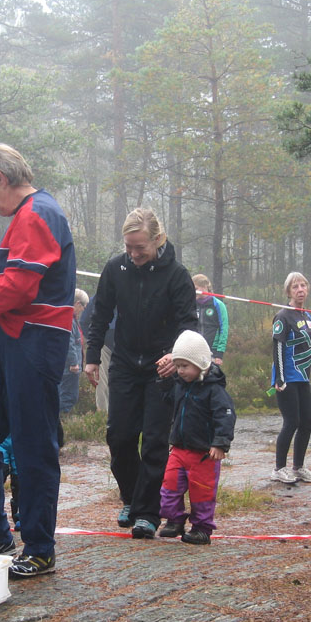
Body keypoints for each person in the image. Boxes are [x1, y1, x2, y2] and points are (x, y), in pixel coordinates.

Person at [0, 143, 75, 579]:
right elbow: (10, 281)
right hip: (5, 338)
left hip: (35, 341)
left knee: (32, 444)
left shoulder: (39, 212)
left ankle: (40, 547)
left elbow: (23, 285)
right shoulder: (25, 216)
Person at [85, 208, 197, 538]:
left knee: (154, 442)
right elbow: (100, 314)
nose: (134, 254)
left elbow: (189, 324)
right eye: (129, 247)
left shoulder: (177, 275)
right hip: (123, 364)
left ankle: (147, 512)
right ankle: (131, 498)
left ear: (158, 240)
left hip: (160, 369)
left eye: (141, 248)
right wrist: (92, 357)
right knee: (119, 437)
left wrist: (174, 357)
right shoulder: (115, 268)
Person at [157, 330, 235, 545]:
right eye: (178, 366)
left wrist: (221, 443)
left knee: (202, 494)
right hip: (179, 449)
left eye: (185, 366)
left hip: (204, 455)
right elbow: (168, 400)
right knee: (169, 488)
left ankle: (202, 528)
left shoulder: (215, 390)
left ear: (201, 363)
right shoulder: (181, 385)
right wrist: (164, 381)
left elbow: (225, 415)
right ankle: (174, 520)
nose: (180, 371)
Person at [270, 272, 311, 484]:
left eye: (303, 285)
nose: (300, 290)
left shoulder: (307, 316)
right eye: (295, 287)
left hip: (302, 378)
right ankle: (279, 469)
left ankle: (298, 466)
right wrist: (280, 378)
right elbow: (278, 347)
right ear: (288, 291)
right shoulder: (283, 316)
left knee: (307, 421)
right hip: (286, 377)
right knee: (292, 421)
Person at [59, 289, 89, 414]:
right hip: (70, 367)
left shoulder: (71, 319)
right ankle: (61, 419)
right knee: (69, 396)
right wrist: (73, 363)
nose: (83, 309)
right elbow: (69, 343)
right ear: (77, 303)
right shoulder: (69, 320)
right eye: (83, 306)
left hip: (68, 366)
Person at [193, 274, 229, 365]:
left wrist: (219, 354)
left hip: (212, 350)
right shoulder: (192, 304)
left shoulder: (218, 304)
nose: (193, 291)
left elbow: (224, 329)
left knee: (211, 378)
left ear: (205, 287)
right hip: (195, 349)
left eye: (196, 288)